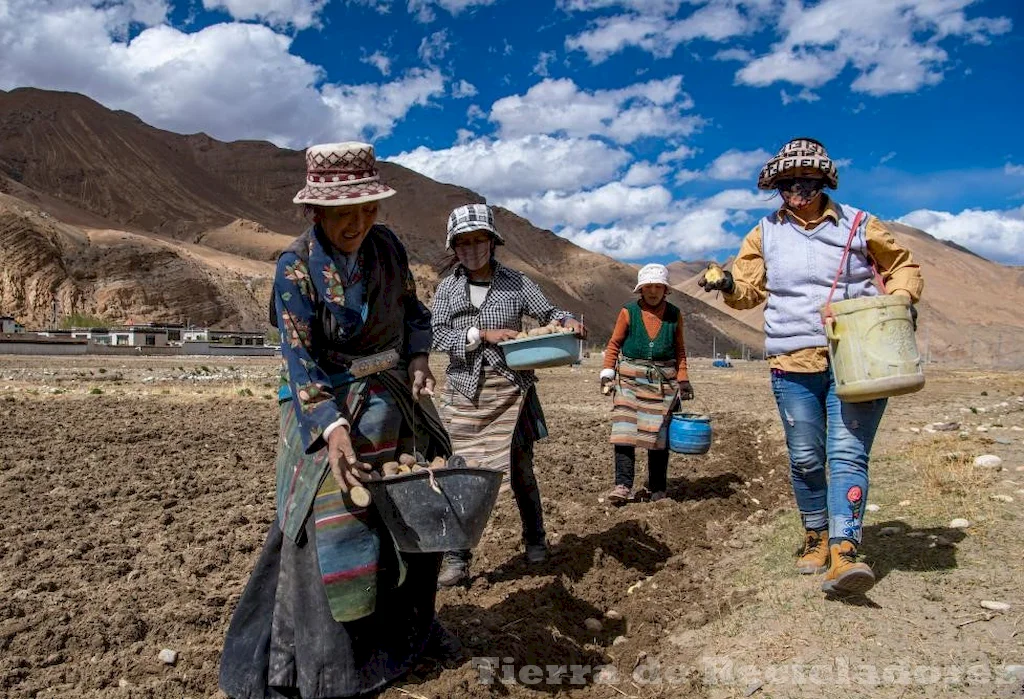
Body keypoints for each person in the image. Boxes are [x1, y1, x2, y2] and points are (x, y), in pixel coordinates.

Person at [219, 142, 458, 699]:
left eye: (369, 210)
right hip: (323, 404)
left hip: (391, 399)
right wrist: (332, 427)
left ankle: (410, 634)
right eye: (346, 213)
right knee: (323, 521)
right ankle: (328, 667)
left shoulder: (389, 248)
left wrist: (419, 357)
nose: (359, 223)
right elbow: (300, 361)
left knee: (410, 506)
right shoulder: (295, 269)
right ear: (316, 212)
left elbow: (415, 314)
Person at [699, 137, 923, 596]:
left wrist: (895, 303)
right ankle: (815, 535)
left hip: (858, 358)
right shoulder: (763, 233)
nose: (794, 189)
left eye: (803, 179)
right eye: (784, 182)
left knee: (846, 453)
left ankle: (844, 551)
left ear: (823, 180)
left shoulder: (861, 225)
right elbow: (749, 293)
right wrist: (725, 284)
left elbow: (903, 267)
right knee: (805, 458)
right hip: (791, 358)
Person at [430, 203, 585, 587]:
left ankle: (535, 539)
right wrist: (481, 335)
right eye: (462, 243)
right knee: (458, 474)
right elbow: (434, 335)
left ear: (492, 241)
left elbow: (548, 311)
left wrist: (566, 320)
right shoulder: (447, 289)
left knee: (520, 471)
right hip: (465, 393)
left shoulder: (516, 283)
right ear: (454, 248)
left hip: (511, 393)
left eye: (478, 239)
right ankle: (457, 557)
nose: (471, 248)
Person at [600, 263, 693, 505]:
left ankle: (658, 489)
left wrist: (683, 379)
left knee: (659, 438)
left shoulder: (674, 315)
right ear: (641, 289)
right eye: (648, 287)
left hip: (663, 382)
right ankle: (623, 485)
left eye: (658, 286)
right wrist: (607, 373)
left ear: (665, 289)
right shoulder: (628, 312)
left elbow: (680, 350)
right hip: (629, 380)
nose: (653, 291)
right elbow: (614, 344)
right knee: (624, 434)